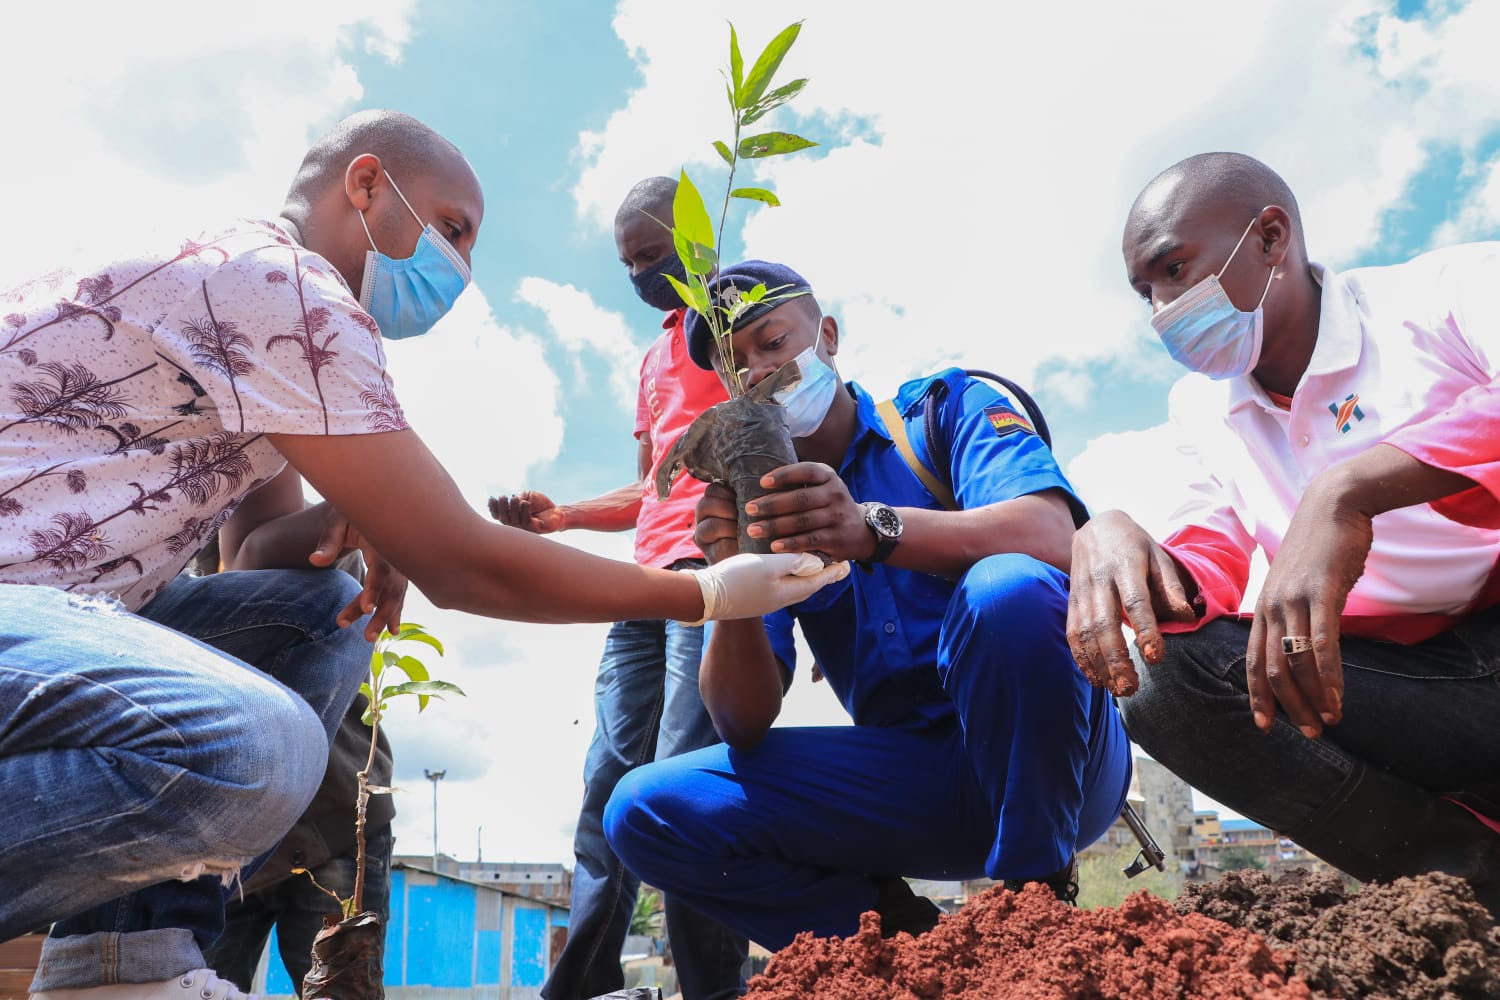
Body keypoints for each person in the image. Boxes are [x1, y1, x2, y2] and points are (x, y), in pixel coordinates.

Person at [0, 111, 845, 1000]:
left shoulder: (267, 352)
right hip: (26, 611)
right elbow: (462, 564)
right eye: (451, 229)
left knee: (319, 613)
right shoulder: (278, 287)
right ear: (364, 186)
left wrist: (360, 515)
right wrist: (707, 592)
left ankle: (122, 967)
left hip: (65, 626)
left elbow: (252, 555)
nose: (461, 270)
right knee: (259, 750)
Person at [601, 260, 1133, 952]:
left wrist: (871, 530)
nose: (758, 371)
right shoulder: (764, 510)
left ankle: (1035, 905)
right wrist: (731, 580)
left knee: (1006, 590)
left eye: (772, 341)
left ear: (826, 334)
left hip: (1060, 765)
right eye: (736, 368)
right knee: (645, 810)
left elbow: (1054, 536)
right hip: (915, 784)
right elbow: (741, 719)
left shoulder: (942, 411)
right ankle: (907, 948)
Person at [1066, 151, 1500, 914]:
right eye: (1147, 291)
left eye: (1175, 269)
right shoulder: (1203, 411)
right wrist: (1114, 539)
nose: (1163, 307)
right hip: (1419, 689)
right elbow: (1209, 561)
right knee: (1172, 683)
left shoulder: (1443, 294)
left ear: (1271, 238)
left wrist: (1351, 489)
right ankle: (1469, 889)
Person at [490, 177, 748, 1000]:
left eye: (653, 254)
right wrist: (563, 516)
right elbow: (652, 487)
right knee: (607, 785)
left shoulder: (744, 315)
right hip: (641, 587)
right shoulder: (652, 358)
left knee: (681, 779)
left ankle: (716, 988)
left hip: (713, 579)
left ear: (698, 237)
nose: (641, 273)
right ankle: (583, 987)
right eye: (629, 262)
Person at [189, 528, 396, 995]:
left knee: (340, 990)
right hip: (224, 847)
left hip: (331, 826)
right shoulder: (179, 564)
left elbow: (338, 545)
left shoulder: (318, 550)